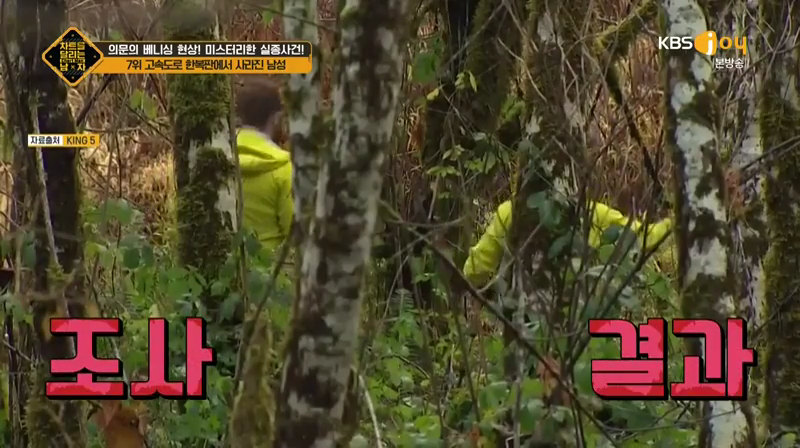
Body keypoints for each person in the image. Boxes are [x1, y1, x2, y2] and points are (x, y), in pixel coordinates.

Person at [463, 199, 675, 288]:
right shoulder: (592, 214)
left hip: (519, 327)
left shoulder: (509, 211)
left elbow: (475, 270)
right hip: (575, 329)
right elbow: (642, 237)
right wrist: (676, 221)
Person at [235, 76, 294, 253]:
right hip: (270, 267)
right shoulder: (284, 169)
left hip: (221, 268)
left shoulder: (215, 159)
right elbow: (296, 238)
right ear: (276, 118)